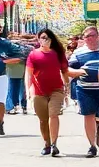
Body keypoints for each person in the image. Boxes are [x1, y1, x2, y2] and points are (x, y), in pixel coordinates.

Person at [68, 26, 99, 158]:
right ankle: (92, 145)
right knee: (88, 115)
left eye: (92, 35)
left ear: (98, 37)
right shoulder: (78, 53)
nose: (90, 39)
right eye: (87, 36)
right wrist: (79, 72)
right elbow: (68, 69)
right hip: (85, 89)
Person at [26, 28, 68, 157]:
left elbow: (65, 71)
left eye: (47, 38)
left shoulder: (58, 53)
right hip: (39, 91)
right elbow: (28, 74)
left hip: (56, 89)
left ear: (51, 40)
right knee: (43, 120)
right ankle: (47, 143)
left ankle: (54, 144)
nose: (44, 40)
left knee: (53, 114)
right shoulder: (33, 55)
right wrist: (28, 90)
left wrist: (67, 87)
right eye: (42, 38)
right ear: (38, 40)